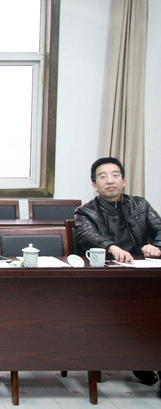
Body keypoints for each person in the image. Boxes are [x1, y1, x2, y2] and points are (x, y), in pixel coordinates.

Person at [75, 156, 161, 386]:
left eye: (115, 175)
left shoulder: (141, 205)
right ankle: (140, 361)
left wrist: (157, 247)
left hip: (141, 274)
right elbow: (87, 236)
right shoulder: (85, 212)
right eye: (103, 177)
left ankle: (151, 357)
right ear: (95, 185)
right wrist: (112, 248)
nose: (110, 181)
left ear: (123, 181)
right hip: (105, 279)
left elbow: (160, 229)